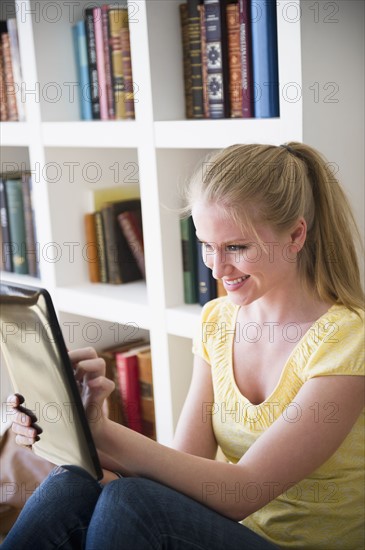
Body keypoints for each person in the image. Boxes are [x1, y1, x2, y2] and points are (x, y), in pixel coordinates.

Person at [3, 142, 364, 549]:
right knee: (75, 481)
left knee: (133, 503)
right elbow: (182, 469)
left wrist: (102, 431)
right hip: (232, 536)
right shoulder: (218, 321)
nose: (217, 266)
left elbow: (242, 493)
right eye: (206, 245)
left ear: (296, 234)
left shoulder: (347, 339)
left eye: (237, 247)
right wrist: (72, 435)